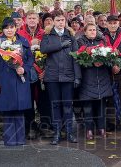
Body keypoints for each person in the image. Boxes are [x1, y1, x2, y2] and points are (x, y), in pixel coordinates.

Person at [40, 11, 81, 145]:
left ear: (65, 21)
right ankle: (57, 133)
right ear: (53, 22)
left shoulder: (71, 36)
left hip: (68, 76)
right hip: (52, 76)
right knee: (55, 105)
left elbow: (76, 57)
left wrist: (77, 76)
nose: (60, 22)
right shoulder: (47, 35)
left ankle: (69, 132)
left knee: (68, 105)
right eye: (57, 20)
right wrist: (60, 45)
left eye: (62, 20)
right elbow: (43, 49)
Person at [0, 17, 33, 146]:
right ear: (3, 29)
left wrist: (24, 69)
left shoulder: (23, 41)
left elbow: (30, 60)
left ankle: (20, 139)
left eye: (11, 27)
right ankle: (9, 139)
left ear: (16, 28)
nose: (9, 30)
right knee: (8, 110)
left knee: (19, 110)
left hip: (20, 80)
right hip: (4, 81)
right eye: (6, 28)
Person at [77, 23, 112, 140]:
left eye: (94, 30)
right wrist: (91, 62)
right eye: (90, 30)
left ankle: (102, 128)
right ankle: (89, 130)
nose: (92, 32)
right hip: (87, 78)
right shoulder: (80, 42)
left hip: (102, 77)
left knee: (101, 104)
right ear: (85, 32)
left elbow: (110, 58)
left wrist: (103, 61)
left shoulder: (102, 42)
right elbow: (78, 60)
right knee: (88, 106)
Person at [18, 11, 44, 139]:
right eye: (30, 18)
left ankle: (45, 126)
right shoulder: (20, 34)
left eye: (34, 18)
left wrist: (44, 70)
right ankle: (30, 127)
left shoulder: (44, 34)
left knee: (42, 100)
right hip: (26, 72)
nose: (32, 20)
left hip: (41, 73)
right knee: (28, 100)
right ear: (25, 20)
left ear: (38, 20)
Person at [104, 15, 121, 133]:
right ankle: (111, 122)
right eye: (110, 23)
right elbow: (101, 53)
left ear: (118, 23)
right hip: (108, 73)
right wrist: (111, 66)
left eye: (115, 22)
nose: (113, 25)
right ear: (106, 24)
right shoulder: (102, 36)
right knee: (110, 98)